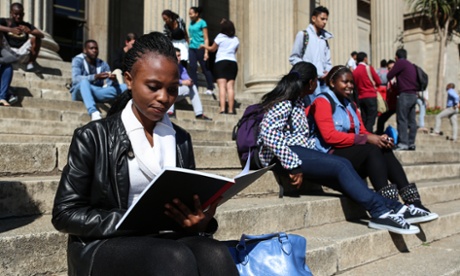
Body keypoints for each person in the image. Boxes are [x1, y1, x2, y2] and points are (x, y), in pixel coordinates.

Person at [52, 32, 238, 276]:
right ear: (129, 80)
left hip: (165, 238)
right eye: (153, 87)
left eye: (172, 89)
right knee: (174, 258)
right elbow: (65, 214)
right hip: (103, 243)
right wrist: (130, 220)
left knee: (215, 253)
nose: (164, 98)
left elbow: (184, 202)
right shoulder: (93, 136)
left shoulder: (180, 139)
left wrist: (198, 220)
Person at [257, 61, 424, 235]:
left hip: (298, 151)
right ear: (311, 82)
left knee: (345, 179)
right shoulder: (286, 101)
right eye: (316, 81)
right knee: (341, 165)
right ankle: (380, 213)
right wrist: (292, 165)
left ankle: (395, 207)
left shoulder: (298, 100)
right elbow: (269, 132)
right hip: (280, 155)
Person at [307, 66, 438, 223]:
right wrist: (367, 139)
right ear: (332, 82)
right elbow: (330, 137)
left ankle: (414, 203)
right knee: (372, 150)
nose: (349, 86)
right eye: (345, 82)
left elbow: (362, 130)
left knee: (383, 148)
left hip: (349, 153)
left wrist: (378, 138)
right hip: (329, 155)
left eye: (351, 82)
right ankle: (391, 205)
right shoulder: (322, 101)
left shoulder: (351, 105)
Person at [70, 39, 127, 121]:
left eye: (96, 48)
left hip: (97, 92)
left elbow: (109, 86)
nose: (94, 50)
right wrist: (95, 77)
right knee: (84, 82)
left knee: (125, 86)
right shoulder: (78, 60)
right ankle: (94, 112)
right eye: (91, 48)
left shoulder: (103, 64)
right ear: (85, 50)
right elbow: (75, 79)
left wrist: (113, 81)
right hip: (79, 91)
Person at [289, 6, 333, 103]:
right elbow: (294, 58)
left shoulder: (325, 39)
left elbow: (328, 61)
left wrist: (328, 72)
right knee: (311, 112)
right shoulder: (303, 35)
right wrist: (308, 70)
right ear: (314, 18)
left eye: (326, 19)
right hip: (309, 83)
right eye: (322, 19)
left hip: (323, 84)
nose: (325, 22)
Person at [200, 19, 239, 114]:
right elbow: (235, 51)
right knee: (230, 87)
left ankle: (222, 109)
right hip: (232, 62)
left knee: (222, 86)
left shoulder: (220, 37)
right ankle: (230, 109)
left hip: (221, 61)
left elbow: (212, 49)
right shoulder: (235, 39)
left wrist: (204, 46)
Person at [386, 48, 419, 151]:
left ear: (396, 57)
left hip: (405, 95)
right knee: (412, 121)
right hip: (413, 95)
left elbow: (389, 75)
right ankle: (411, 143)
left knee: (402, 119)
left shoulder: (400, 63)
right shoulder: (411, 65)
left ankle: (403, 143)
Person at [167, 48, 212, 120]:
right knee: (169, 86)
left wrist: (189, 81)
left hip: (176, 94)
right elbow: (167, 80)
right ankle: (169, 112)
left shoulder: (181, 67)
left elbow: (187, 78)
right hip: (166, 94)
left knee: (192, 87)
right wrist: (182, 82)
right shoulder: (166, 66)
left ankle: (199, 113)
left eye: (179, 55)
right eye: (177, 56)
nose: (179, 58)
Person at [0, 2, 44, 72]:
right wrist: (10, 29)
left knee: (36, 38)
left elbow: (42, 35)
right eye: (16, 14)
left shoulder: (26, 25)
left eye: (20, 14)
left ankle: (30, 64)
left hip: (22, 52)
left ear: (23, 14)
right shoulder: (6, 21)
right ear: (11, 13)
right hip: (7, 50)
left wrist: (30, 31)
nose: (18, 16)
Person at [188, 7, 215, 98]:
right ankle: (194, 87)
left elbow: (206, 38)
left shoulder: (203, 23)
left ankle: (210, 87)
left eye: (191, 13)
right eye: (189, 13)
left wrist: (206, 52)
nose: (190, 15)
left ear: (196, 14)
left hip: (201, 47)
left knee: (204, 68)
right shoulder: (191, 23)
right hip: (192, 47)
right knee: (192, 67)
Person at [353, 52, 381, 133]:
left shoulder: (355, 72)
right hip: (371, 96)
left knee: (364, 119)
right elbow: (378, 81)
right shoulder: (368, 68)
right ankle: (368, 136)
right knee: (371, 119)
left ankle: (364, 135)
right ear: (365, 58)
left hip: (361, 98)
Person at [376, 60, 398, 135]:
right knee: (381, 119)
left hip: (397, 105)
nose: (390, 70)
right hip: (391, 106)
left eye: (392, 68)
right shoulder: (389, 80)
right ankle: (379, 135)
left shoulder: (398, 79)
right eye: (388, 68)